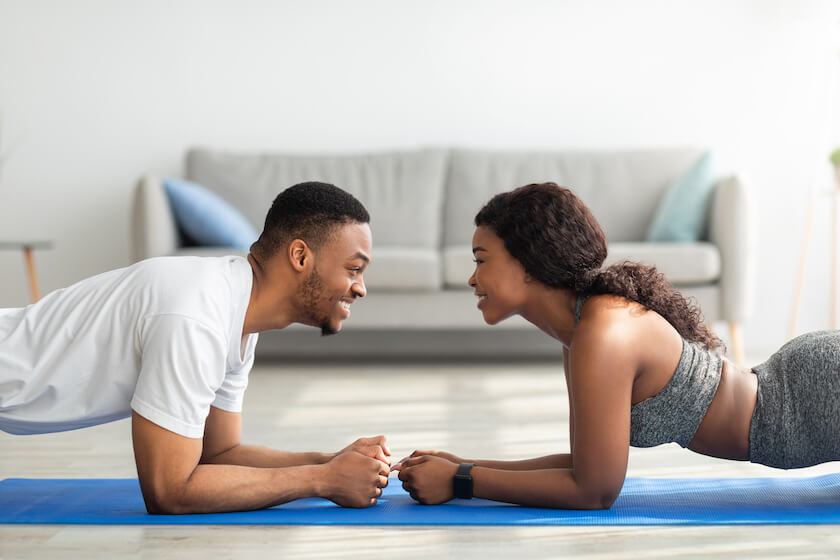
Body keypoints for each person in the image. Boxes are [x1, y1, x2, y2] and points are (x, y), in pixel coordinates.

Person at [395, 181, 840, 509]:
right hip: (800, 394)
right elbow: (585, 466)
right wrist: (464, 464)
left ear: (527, 263)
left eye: (481, 261)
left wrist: (464, 481)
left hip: (809, 401)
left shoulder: (601, 332)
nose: (472, 278)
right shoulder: (582, 329)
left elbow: (595, 492)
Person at [0, 181, 391, 514]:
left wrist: (331, 461)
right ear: (301, 256)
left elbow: (219, 453)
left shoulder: (234, 313)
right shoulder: (197, 316)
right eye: (354, 269)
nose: (361, 287)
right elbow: (169, 491)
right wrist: (322, 480)